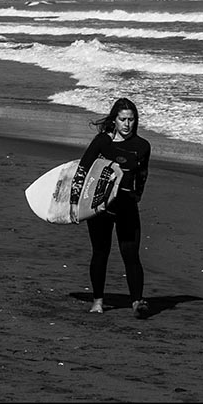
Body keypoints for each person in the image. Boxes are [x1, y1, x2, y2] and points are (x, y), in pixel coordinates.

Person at [70, 97, 151, 319]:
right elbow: (82, 171)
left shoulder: (142, 146)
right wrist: (75, 203)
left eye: (131, 119)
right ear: (114, 120)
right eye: (123, 119)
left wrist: (137, 196)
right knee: (100, 252)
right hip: (100, 207)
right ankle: (98, 301)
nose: (127, 124)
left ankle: (137, 302)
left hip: (126, 207)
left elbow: (142, 175)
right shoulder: (102, 142)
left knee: (131, 255)